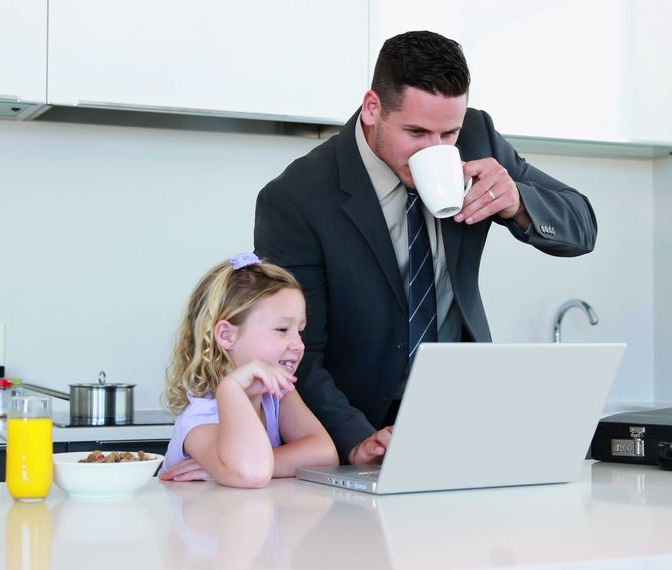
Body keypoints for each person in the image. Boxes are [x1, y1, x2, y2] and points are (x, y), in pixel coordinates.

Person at [252, 31, 598, 465]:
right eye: (416, 132)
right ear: (373, 108)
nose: (435, 150)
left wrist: (517, 203)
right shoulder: (296, 198)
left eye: (448, 133)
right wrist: (357, 437)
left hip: (465, 418)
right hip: (356, 426)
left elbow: (582, 225)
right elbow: (295, 350)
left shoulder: (477, 136)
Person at [158, 253, 338, 487]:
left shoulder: (278, 393)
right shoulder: (200, 416)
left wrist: (225, 468)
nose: (299, 344)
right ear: (227, 336)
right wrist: (230, 388)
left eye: (300, 331)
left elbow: (325, 455)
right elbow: (252, 472)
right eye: (283, 329)